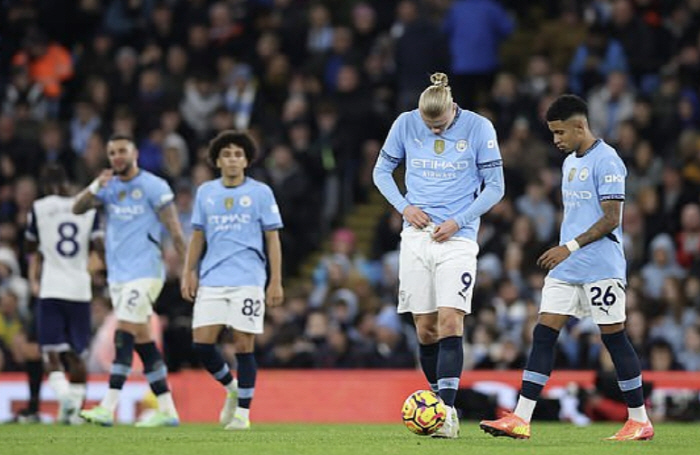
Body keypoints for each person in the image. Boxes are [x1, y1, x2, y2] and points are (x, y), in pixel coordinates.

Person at [480, 94, 654, 441]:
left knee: (614, 339)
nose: (556, 140)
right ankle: (521, 418)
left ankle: (639, 420)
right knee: (543, 333)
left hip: (601, 266)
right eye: (553, 133)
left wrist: (569, 246)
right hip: (566, 268)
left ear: (580, 126)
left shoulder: (608, 161)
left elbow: (611, 218)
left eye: (560, 133)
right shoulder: (568, 162)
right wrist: (566, 249)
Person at [372, 72, 505, 438]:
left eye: (440, 124)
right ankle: (436, 402)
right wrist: (404, 207)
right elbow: (381, 171)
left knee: (450, 321)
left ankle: (446, 413)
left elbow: (496, 187)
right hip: (416, 237)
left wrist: (459, 220)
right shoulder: (405, 123)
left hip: (458, 239)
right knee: (425, 329)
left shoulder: (479, 127)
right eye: (428, 124)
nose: (433, 130)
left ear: (452, 109)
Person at [73, 134, 187, 427]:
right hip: (118, 277)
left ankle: (107, 407)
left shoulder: (153, 186)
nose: (117, 157)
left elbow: (174, 230)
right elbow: (77, 208)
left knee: (123, 332)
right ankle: (168, 410)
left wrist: (189, 269)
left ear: (134, 152)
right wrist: (97, 184)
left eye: (122, 150)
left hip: (146, 273)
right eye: (112, 153)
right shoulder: (108, 189)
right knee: (144, 342)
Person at [181, 130, 284, 430]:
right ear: (217, 160)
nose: (232, 159)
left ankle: (243, 414)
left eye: (238, 154)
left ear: (247, 160)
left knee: (243, 345)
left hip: (249, 277)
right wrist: (189, 271)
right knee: (202, 345)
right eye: (226, 154)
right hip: (212, 277)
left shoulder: (261, 192)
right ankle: (232, 388)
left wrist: (275, 280)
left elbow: (273, 238)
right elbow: (197, 236)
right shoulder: (205, 192)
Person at [25, 164, 101, 424]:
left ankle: (65, 397)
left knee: (51, 351)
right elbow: (99, 248)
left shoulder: (39, 208)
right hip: (80, 288)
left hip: (51, 287)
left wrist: (34, 275)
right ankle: (74, 411)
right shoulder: (88, 210)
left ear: (45, 186)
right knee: (78, 353)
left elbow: (31, 245)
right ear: (67, 183)